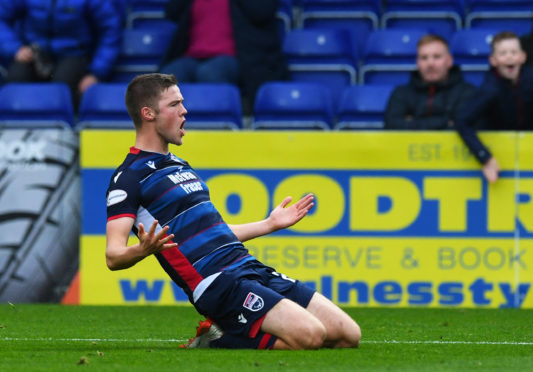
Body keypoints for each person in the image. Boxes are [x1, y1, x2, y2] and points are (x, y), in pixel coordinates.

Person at [105, 73, 361, 350]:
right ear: (148, 114)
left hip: (247, 266)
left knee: (347, 334)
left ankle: (226, 333)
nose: (184, 111)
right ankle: (212, 341)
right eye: (175, 104)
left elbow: (216, 233)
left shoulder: (179, 164)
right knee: (309, 336)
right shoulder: (128, 178)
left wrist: (269, 224)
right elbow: (113, 256)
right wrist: (143, 249)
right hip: (216, 282)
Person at [159, 0, 288, 114]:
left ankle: (214, 128)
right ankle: (171, 133)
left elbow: (262, 12)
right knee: (167, 77)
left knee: (210, 72)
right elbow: (171, 12)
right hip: (193, 56)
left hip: (236, 57)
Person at [0, 0, 123, 106]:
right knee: (14, 83)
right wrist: (14, 48)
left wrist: (96, 73)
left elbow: (110, 31)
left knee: (62, 90)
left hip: (75, 54)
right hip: (34, 53)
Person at [455, 31, 533, 183]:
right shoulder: (489, 89)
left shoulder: (530, 79)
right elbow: (462, 121)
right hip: (498, 155)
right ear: (493, 60)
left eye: (513, 52)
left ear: (523, 57)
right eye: (503, 53)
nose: (509, 57)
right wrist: (485, 158)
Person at [385, 34, 477, 130]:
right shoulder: (401, 93)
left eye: (437, 57)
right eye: (424, 58)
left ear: (449, 60)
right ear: (417, 62)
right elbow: (392, 126)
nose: (430, 63)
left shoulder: (467, 92)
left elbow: (466, 127)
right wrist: (446, 122)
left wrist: (412, 122)